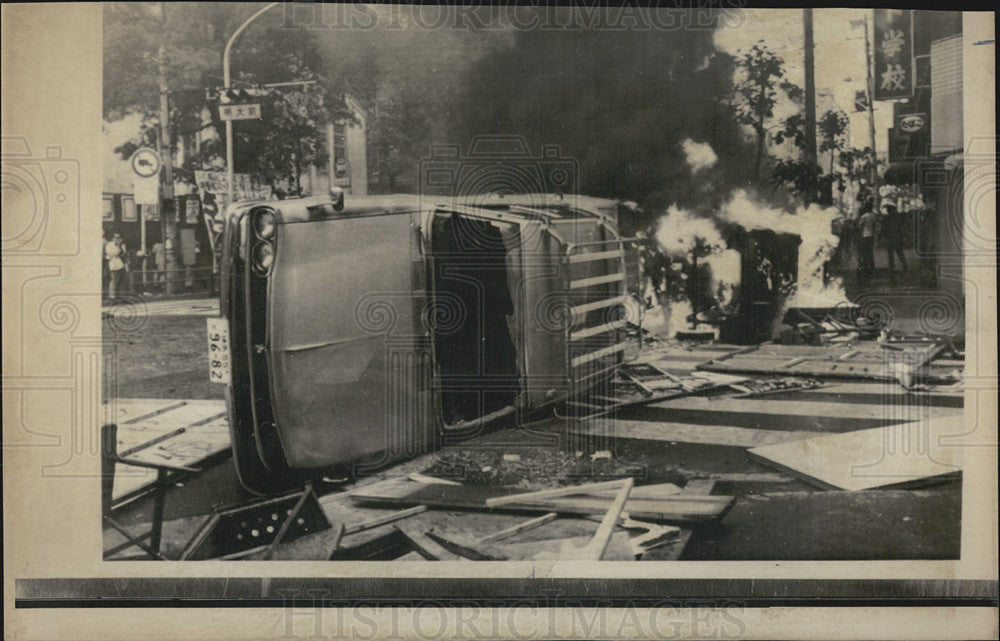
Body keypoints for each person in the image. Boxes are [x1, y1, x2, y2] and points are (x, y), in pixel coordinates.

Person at [881, 202, 908, 277]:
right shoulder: (898, 217)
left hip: (890, 238)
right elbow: (902, 228)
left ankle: (892, 268)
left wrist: (882, 237)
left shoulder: (886, 218)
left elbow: (883, 229)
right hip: (898, 237)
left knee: (890, 254)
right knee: (900, 253)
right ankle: (905, 266)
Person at [857, 199, 879, 287]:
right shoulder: (873, 216)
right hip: (871, 236)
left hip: (865, 235)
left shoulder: (864, 216)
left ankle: (865, 267)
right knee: (870, 251)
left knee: (864, 252)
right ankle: (872, 267)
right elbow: (875, 226)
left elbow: (859, 226)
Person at [105, 233, 128, 301]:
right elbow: (114, 253)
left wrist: (121, 248)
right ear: (112, 238)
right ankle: (112, 296)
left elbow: (124, 254)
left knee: (121, 280)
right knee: (114, 280)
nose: (117, 239)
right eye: (116, 237)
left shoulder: (122, 245)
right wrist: (118, 247)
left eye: (119, 238)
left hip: (121, 264)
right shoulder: (109, 245)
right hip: (113, 264)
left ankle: (119, 296)